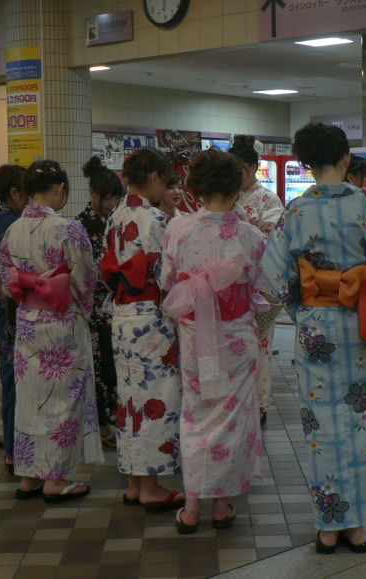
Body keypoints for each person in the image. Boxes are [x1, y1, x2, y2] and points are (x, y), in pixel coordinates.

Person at [261, 122, 366, 554]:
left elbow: (272, 276)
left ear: (307, 164)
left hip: (317, 333)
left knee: (321, 426)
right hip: (365, 328)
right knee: (364, 423)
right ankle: (359, 527)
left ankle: (328, 526)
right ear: (347, 159)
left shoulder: (295, 210)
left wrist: (304, 309)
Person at [161, 148, 267, 534]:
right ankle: (222, 504)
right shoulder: (251, 236)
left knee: (195, 413)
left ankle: (191, 508)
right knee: (233, 417)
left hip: (194, 335)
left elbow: (168, 282)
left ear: (197, 188)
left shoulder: (178, 230)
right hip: (236, 335)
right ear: (238, 187)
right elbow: (259, 288)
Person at [0, 160, 103, 503]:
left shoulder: (11, 230)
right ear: (59, 190)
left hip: (28, 323)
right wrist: (84, 309)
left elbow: (6, 277)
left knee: (30, 401)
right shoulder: (67, 229)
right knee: (62, 401)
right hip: (61, 323)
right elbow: (86, 278)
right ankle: (56, 479)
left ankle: (29, 476)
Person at [101, 147, 185, 512]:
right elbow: (167, 275)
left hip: (121, 315)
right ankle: (150, 485)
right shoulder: (156, 218)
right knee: (157, 397)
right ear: (154, 178)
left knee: (130, 399)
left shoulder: (115, 216)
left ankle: (135, 481)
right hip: (151, 316)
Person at [227, 135, 285, 425]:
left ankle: (259, 403)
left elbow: (272, 240)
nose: (236, 176)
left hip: (259, 285)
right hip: (229, 286)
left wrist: (242, 221)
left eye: (240, 169)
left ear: (252, 167)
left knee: (260, 344)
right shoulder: (228, 196)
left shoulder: (268, 199)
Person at [0, 164, 27, 475]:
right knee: (14, 380)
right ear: (15, 192)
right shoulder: (11, 224)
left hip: (1, 311)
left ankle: (11, 443)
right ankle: (13, 449)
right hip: (10, 310)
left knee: (9, 378)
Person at [76, 156, 123, 449]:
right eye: (107, 198)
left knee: (112, 364)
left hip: (114, 304)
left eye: (116, 198)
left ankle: (112, 420)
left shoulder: (116, 222)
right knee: (98, 364)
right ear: (93, 194)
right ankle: (103, 423)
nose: (112, 204)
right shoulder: (80, 226)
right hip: (92, 307)